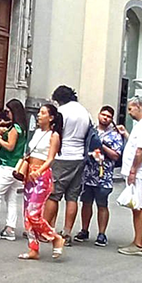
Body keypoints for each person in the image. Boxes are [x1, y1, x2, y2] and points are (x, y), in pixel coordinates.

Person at [19, 103, 65, 261]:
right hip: (29, 173)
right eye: (39, 113)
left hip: (42, 176)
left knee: (33, 213)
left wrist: (39, 171)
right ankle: (33, 248)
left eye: (43, 113)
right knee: (27, 214)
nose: (39, 115)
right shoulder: (37, 132)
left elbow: (51, 158)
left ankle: (55, 238)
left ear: (51, 117)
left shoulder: (54, 135)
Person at [47, 85, 90, 242]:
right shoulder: (84, 112)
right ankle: (67, 231)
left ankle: (46, 228)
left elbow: (55, 133)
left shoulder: (62, 112)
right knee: (72, 196)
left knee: (53, 195)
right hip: (79, 157)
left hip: (63, 156)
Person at [76, 105, 124, 246]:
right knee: (86, 203)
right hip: (88, 173)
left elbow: (116, 155)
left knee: (102, 204)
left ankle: (102, 234)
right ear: (99, 115)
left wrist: (101, 145)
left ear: (112, 119)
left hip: (104, 175)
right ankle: (84, 230)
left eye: (109, 116)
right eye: (103, 115)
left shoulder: (115, 135)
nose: (105, 118)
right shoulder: (91, 131)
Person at [0, 99, 29, 241]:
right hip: (17, 165)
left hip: (8, 165)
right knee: (11, 197)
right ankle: (10, 228)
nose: (7, 114)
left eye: (9, 111)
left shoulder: (14, 129)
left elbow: (10, 146)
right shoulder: (21, 128)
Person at [117, 98, 142, 256]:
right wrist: (125, 134)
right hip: (137, 172)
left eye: (131, 109)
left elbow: (140, 151)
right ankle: (139, 240)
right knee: (137, 207)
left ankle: (138, 243)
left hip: (139, 174)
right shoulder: (138, 126)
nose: (129, 112)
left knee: (137, 207)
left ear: (139, 107)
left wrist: (133, 170)